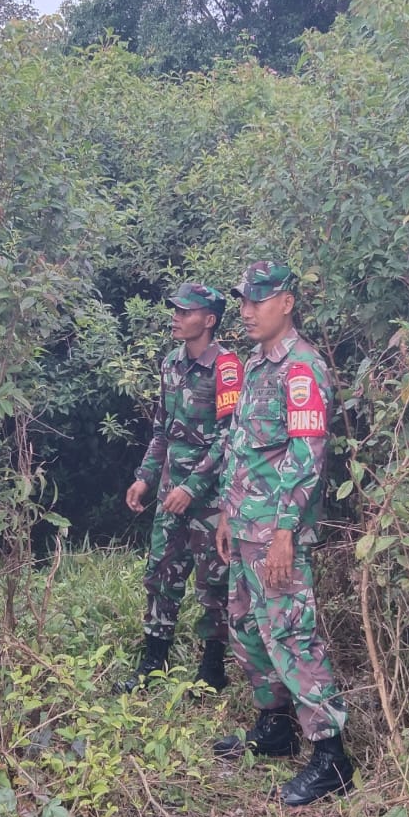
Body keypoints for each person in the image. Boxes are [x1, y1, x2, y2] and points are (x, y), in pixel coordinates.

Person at [212, 261, 355, 806]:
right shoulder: (255, 364)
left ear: (287, 303)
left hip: (277, 532)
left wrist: (284, 533)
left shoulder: (301, 368)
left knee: (293, 635)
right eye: (243, 301)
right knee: (248, 626)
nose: (246, 311)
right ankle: (275, 726)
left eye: (258, 300)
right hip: (245, 525)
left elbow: (307, 454)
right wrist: (227, 513)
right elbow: (243, 446)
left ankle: (330, 756)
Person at [120, 282, 242, 692]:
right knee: (160, 573)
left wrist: (192, 487)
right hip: (170, 494)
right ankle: (152, 661)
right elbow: (162, 430)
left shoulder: (227, 367)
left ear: (208, 320)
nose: (175, 316)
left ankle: (212, 670)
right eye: (175, 310)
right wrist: (144, 476)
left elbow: (230, 438)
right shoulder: (171, 363)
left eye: (185, 311)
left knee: (214, 582)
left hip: (210, 500)